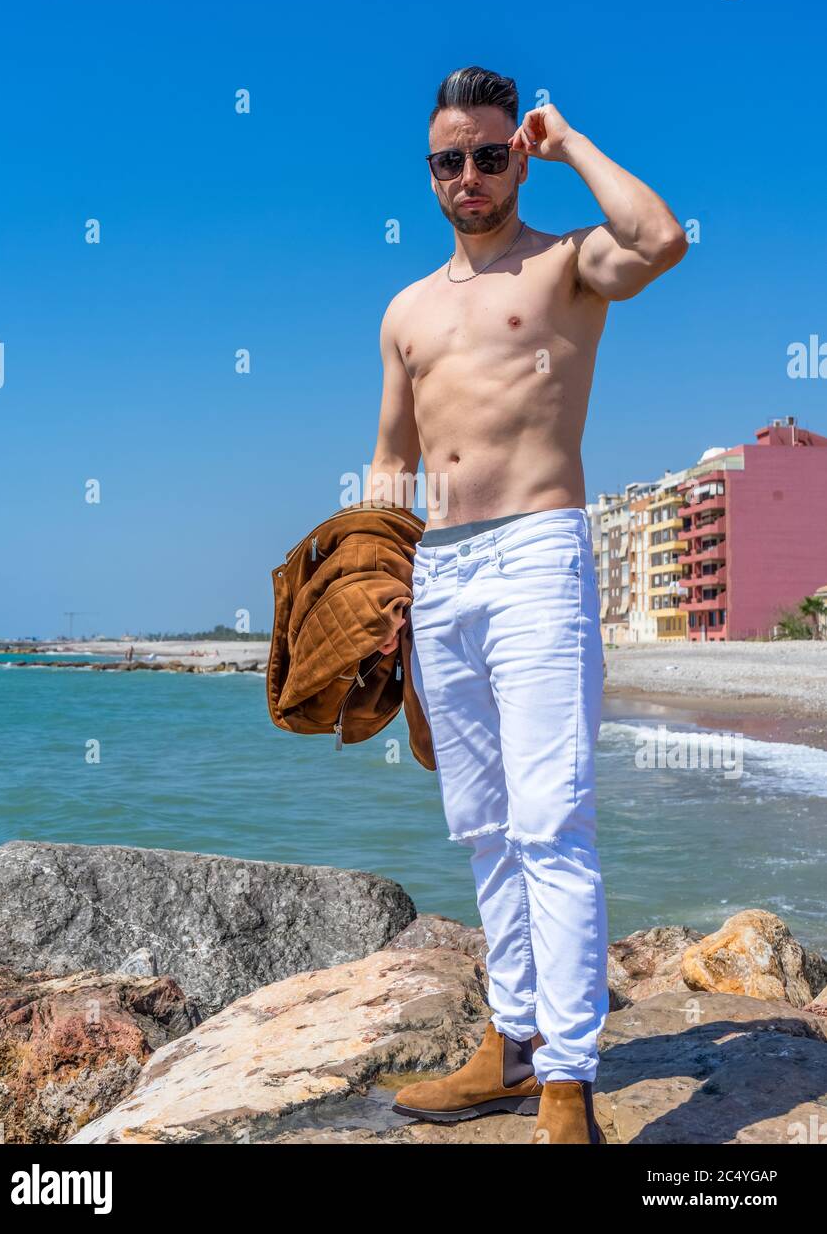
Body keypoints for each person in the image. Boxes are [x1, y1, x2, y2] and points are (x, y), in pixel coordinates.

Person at [365, 66, 687, 1144]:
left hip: (537, 554)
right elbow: (388, 457)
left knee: (551, 819)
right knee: (483, 825)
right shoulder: (405, 310)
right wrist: (378, 584)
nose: (468, 174)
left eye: (490, 153)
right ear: (430, 173)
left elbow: (660, 238)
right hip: (439, 571)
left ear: (516, 153)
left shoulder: (563, 266)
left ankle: (567, 1079)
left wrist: (574, 143)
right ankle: (507, 1045)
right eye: (448, 159)